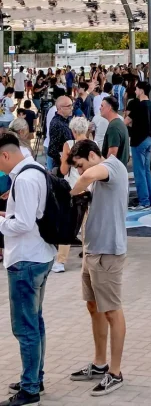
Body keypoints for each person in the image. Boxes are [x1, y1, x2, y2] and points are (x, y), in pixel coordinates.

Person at [68, 139, 129, 396]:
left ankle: (115, 372)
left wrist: (70, 193)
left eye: (80, 165)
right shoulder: (100, 172)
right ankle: (100, 363)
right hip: (92, 250)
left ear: (93, 155)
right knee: (94, 307)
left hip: (107, 252)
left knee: (112, 311)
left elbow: (90, 175)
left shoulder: (112, 167)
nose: (80, 171)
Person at [0, 132, 55, 406]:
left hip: (25, 260)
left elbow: (22, 223)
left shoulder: (23, 179)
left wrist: (0, 222)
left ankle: (30, 388)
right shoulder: (37, 169)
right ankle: (34, 377)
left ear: (5, 155)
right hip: (40, 255)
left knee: (25, 327)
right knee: (35, 322)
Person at [52, 114, 91, 273]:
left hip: (73, 189)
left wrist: (63, 159)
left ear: (73, 131)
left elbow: (63, 170)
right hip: (89, 189)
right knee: (88, 227)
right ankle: (88, 259)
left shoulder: (69, 145)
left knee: (67, 225)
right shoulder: (94, 145)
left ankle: (61, 261)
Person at [125, 81, 151, 211]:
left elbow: (126, 121)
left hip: (138, 141)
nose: (135, 91)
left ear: (141, 90)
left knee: (139, 173)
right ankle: (150, 200)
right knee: (147, 171)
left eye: (137, 89)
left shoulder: (139, 106)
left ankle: (144, 201)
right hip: (148, 139)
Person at [100, 97, 130, 166]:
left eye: (102, 106)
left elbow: (112, 154)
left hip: (114, 169)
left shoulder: (114, 127)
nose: (100, 108)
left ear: (109, 108)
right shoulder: (119, 123)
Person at [46, 96, 73, 172]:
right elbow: (52, 150)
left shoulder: (67, 120)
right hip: (61, 168)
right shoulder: (57, 124)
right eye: (69, 106)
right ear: (60, 108)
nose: (72, 108)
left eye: (72, 105)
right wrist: (63, 161)